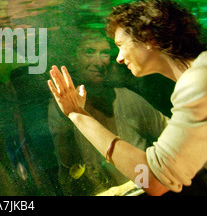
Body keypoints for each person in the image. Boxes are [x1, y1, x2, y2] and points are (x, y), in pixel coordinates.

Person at [48, 0, 207, 195]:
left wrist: (77, 114)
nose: (118, 58)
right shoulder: (206, 71)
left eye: (120, 44)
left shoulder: (201, 80)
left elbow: (153, 180)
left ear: (148, 38)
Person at [48, 28, 167, 195]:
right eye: (90, 52)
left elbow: (172, 135)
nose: (98, 62)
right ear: (73, 59)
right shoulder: (59, 110)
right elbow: (68, 171)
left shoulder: (127, 99)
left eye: (104, 53)